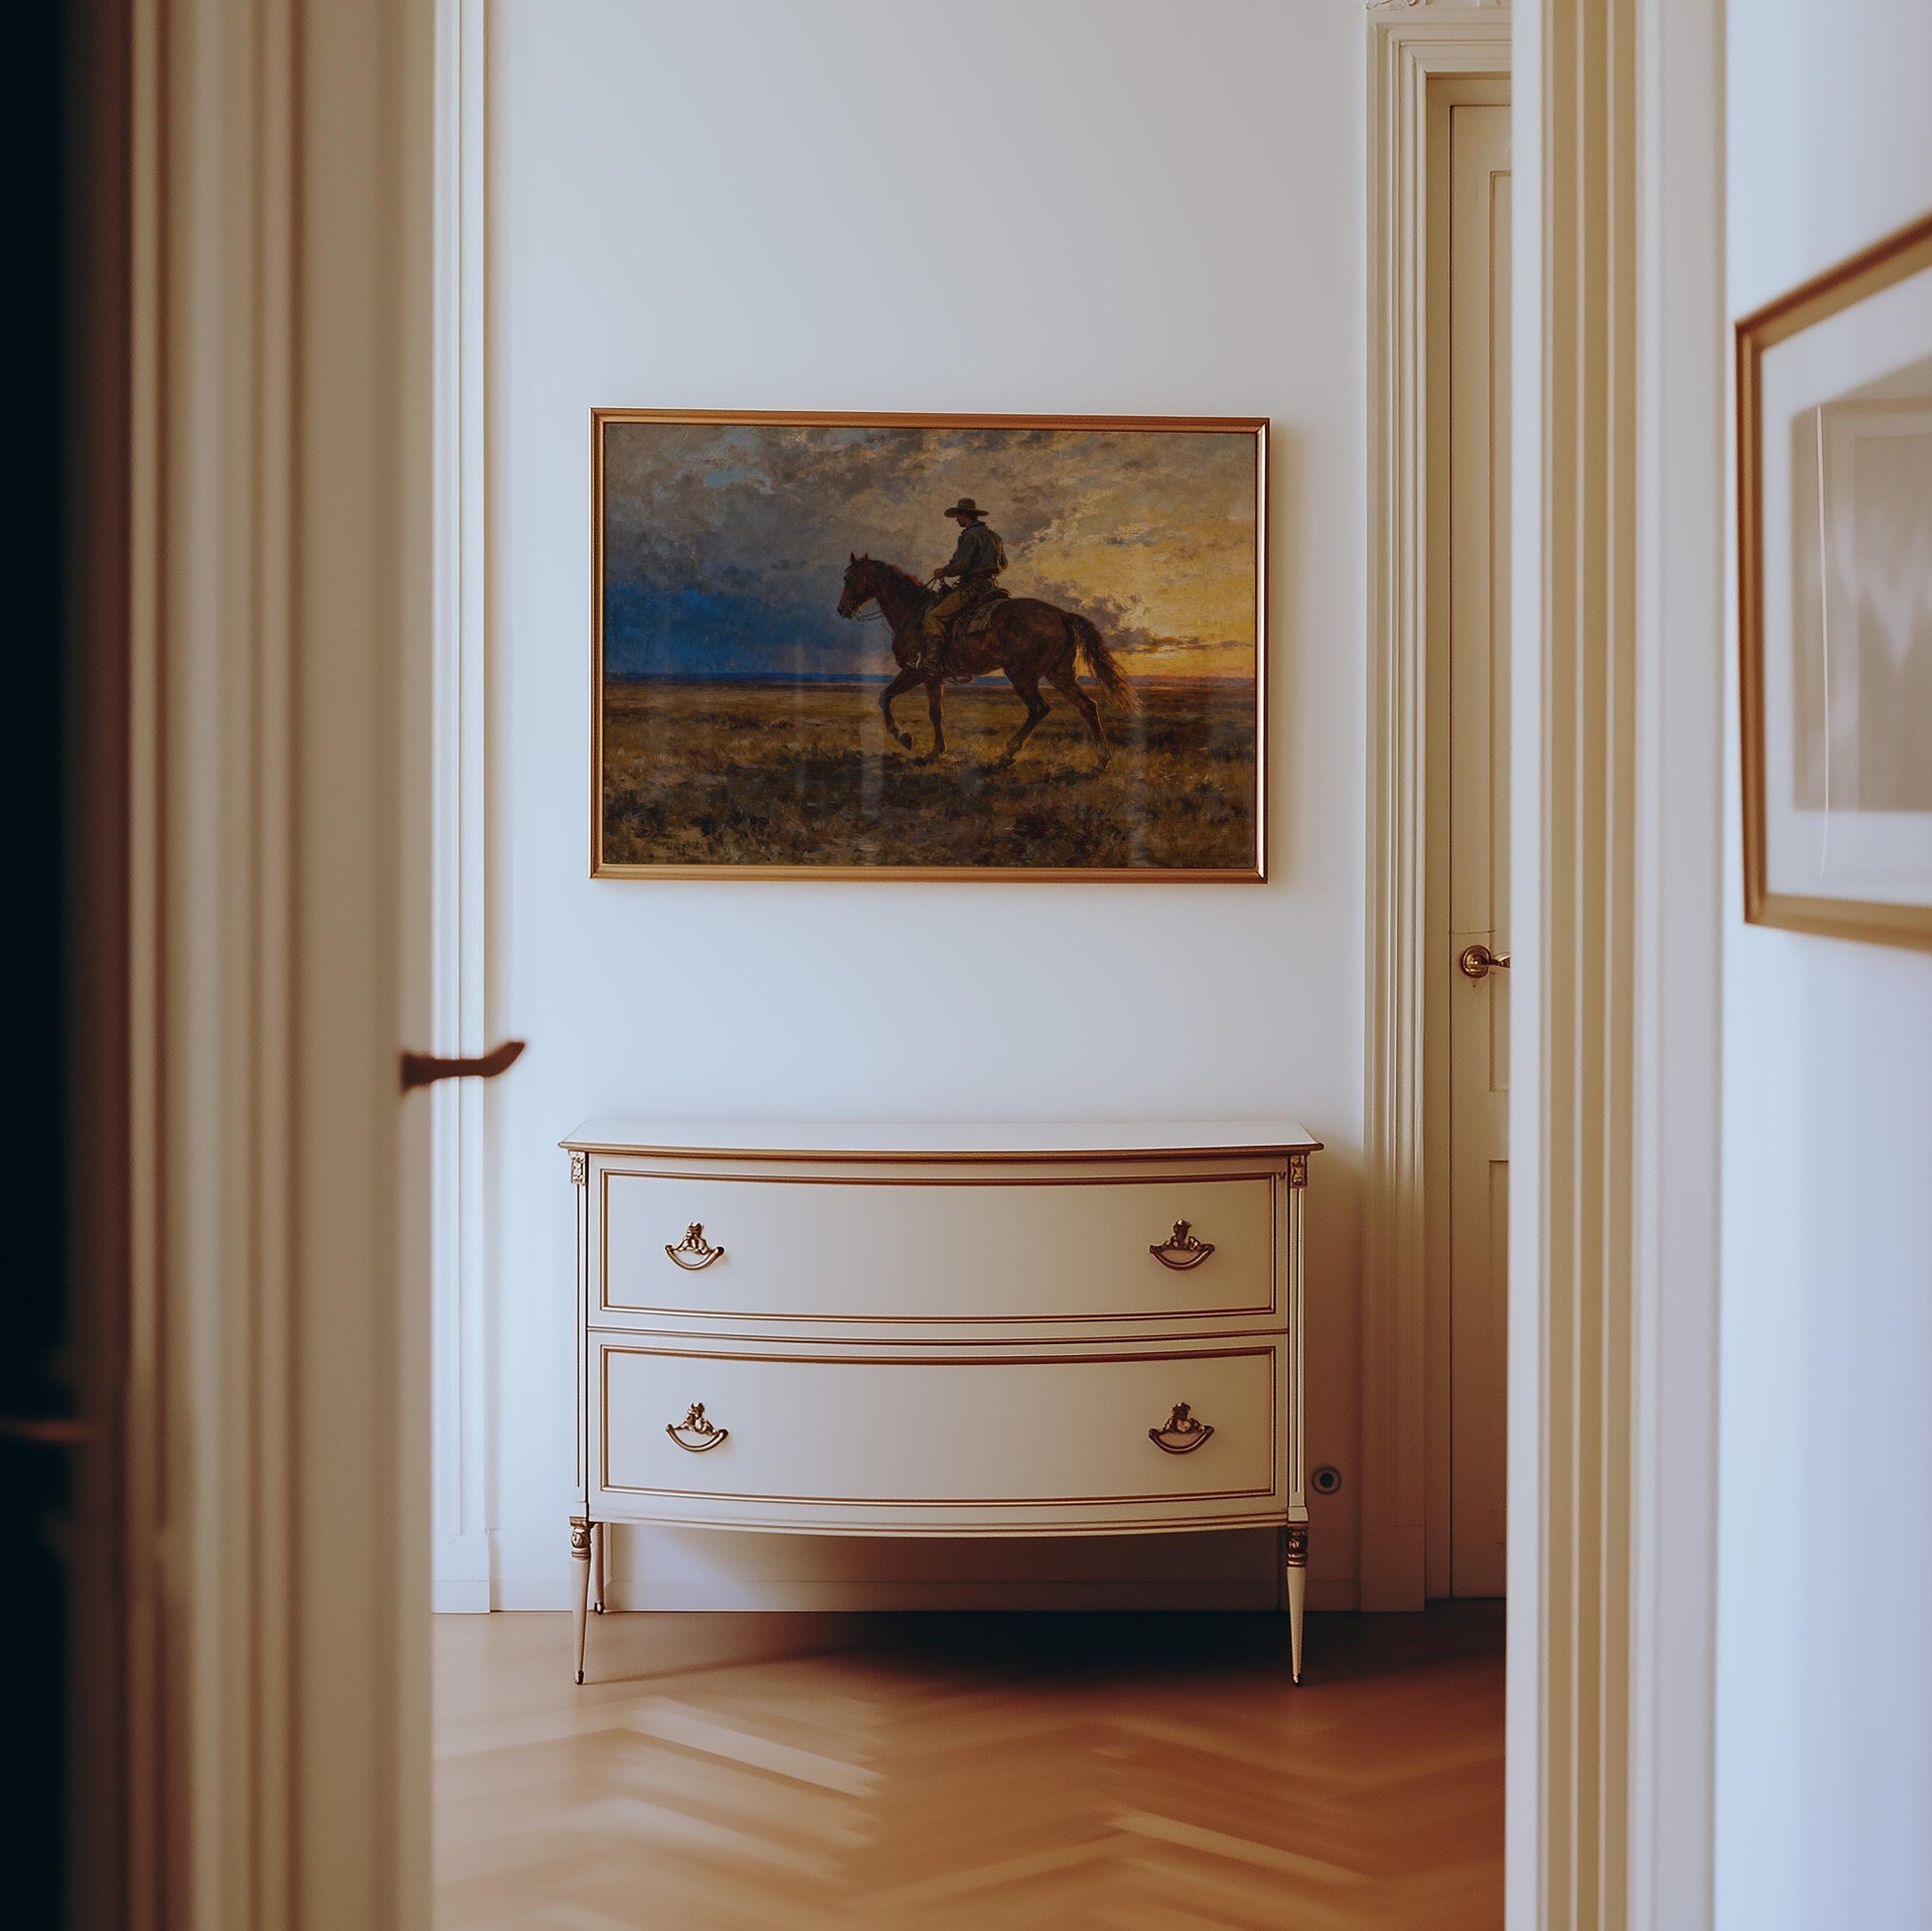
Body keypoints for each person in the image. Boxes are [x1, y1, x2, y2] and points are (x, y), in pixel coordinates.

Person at [920, 497, 1007, 673]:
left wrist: (942, 571)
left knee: (934, 617)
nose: (956, 520)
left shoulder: (969, 536)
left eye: (958, 515)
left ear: (965, 515)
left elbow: (959, 566)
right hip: (991, 587)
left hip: (971, 588)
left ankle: (931, 662)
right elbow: (1003, 564)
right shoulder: (994, 536)